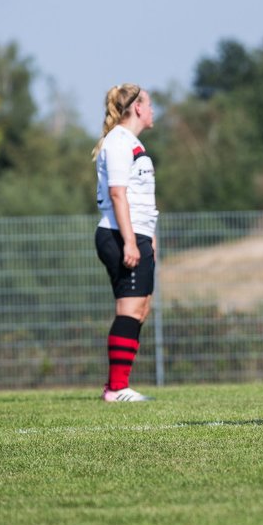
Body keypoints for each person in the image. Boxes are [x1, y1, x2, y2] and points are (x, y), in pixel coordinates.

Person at [93, 83, 158, 402]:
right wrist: (130, 242)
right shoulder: (118, 142)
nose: (152, 110)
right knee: (130, 308)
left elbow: (141, 200)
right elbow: (118, 194)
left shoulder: (131, 142)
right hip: (120, 234)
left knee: (140, 308)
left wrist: (149, 240)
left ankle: (119, 386)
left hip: (136, 234)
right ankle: (117, 388)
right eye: (149, 103)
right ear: (136, 108)